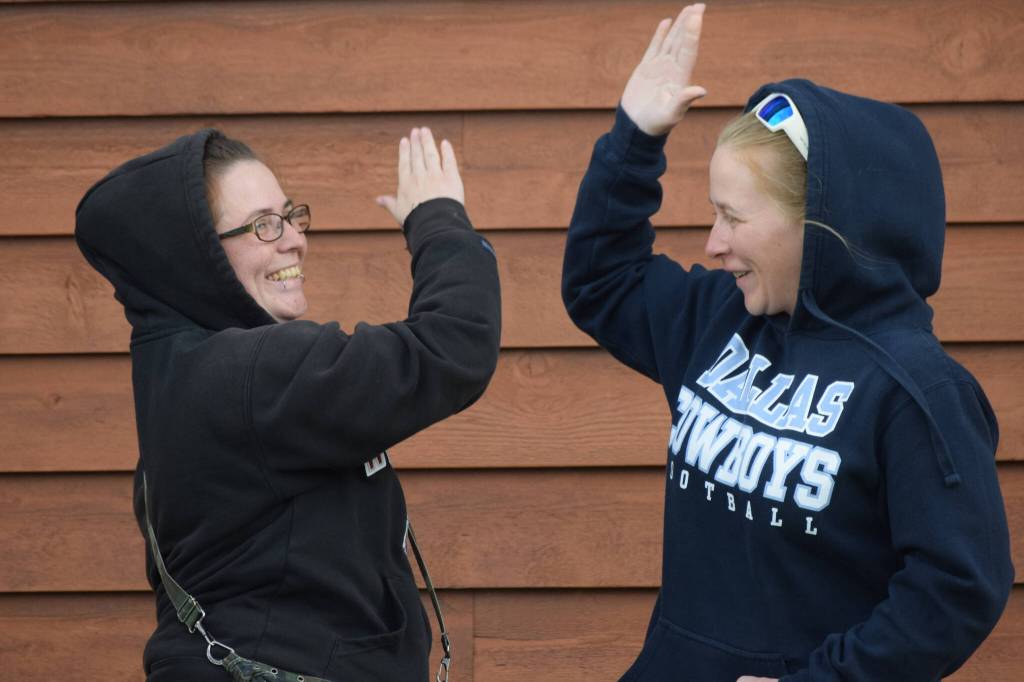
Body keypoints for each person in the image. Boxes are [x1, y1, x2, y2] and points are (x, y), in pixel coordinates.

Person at [561, 4, 1012, 680]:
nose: (713, 244)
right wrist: (635, 136)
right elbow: (602, 281)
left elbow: (958, 586)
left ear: (821, 228)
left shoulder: (916, 392)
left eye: (733, 217)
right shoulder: (719, 321)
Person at [75, 126, 501, 680]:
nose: (294, 239)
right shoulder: (247, 376)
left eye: (290, 215)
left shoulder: (176, 375)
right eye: (262, 226)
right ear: (194, 258)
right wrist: (439, 220)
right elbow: (452, 349)